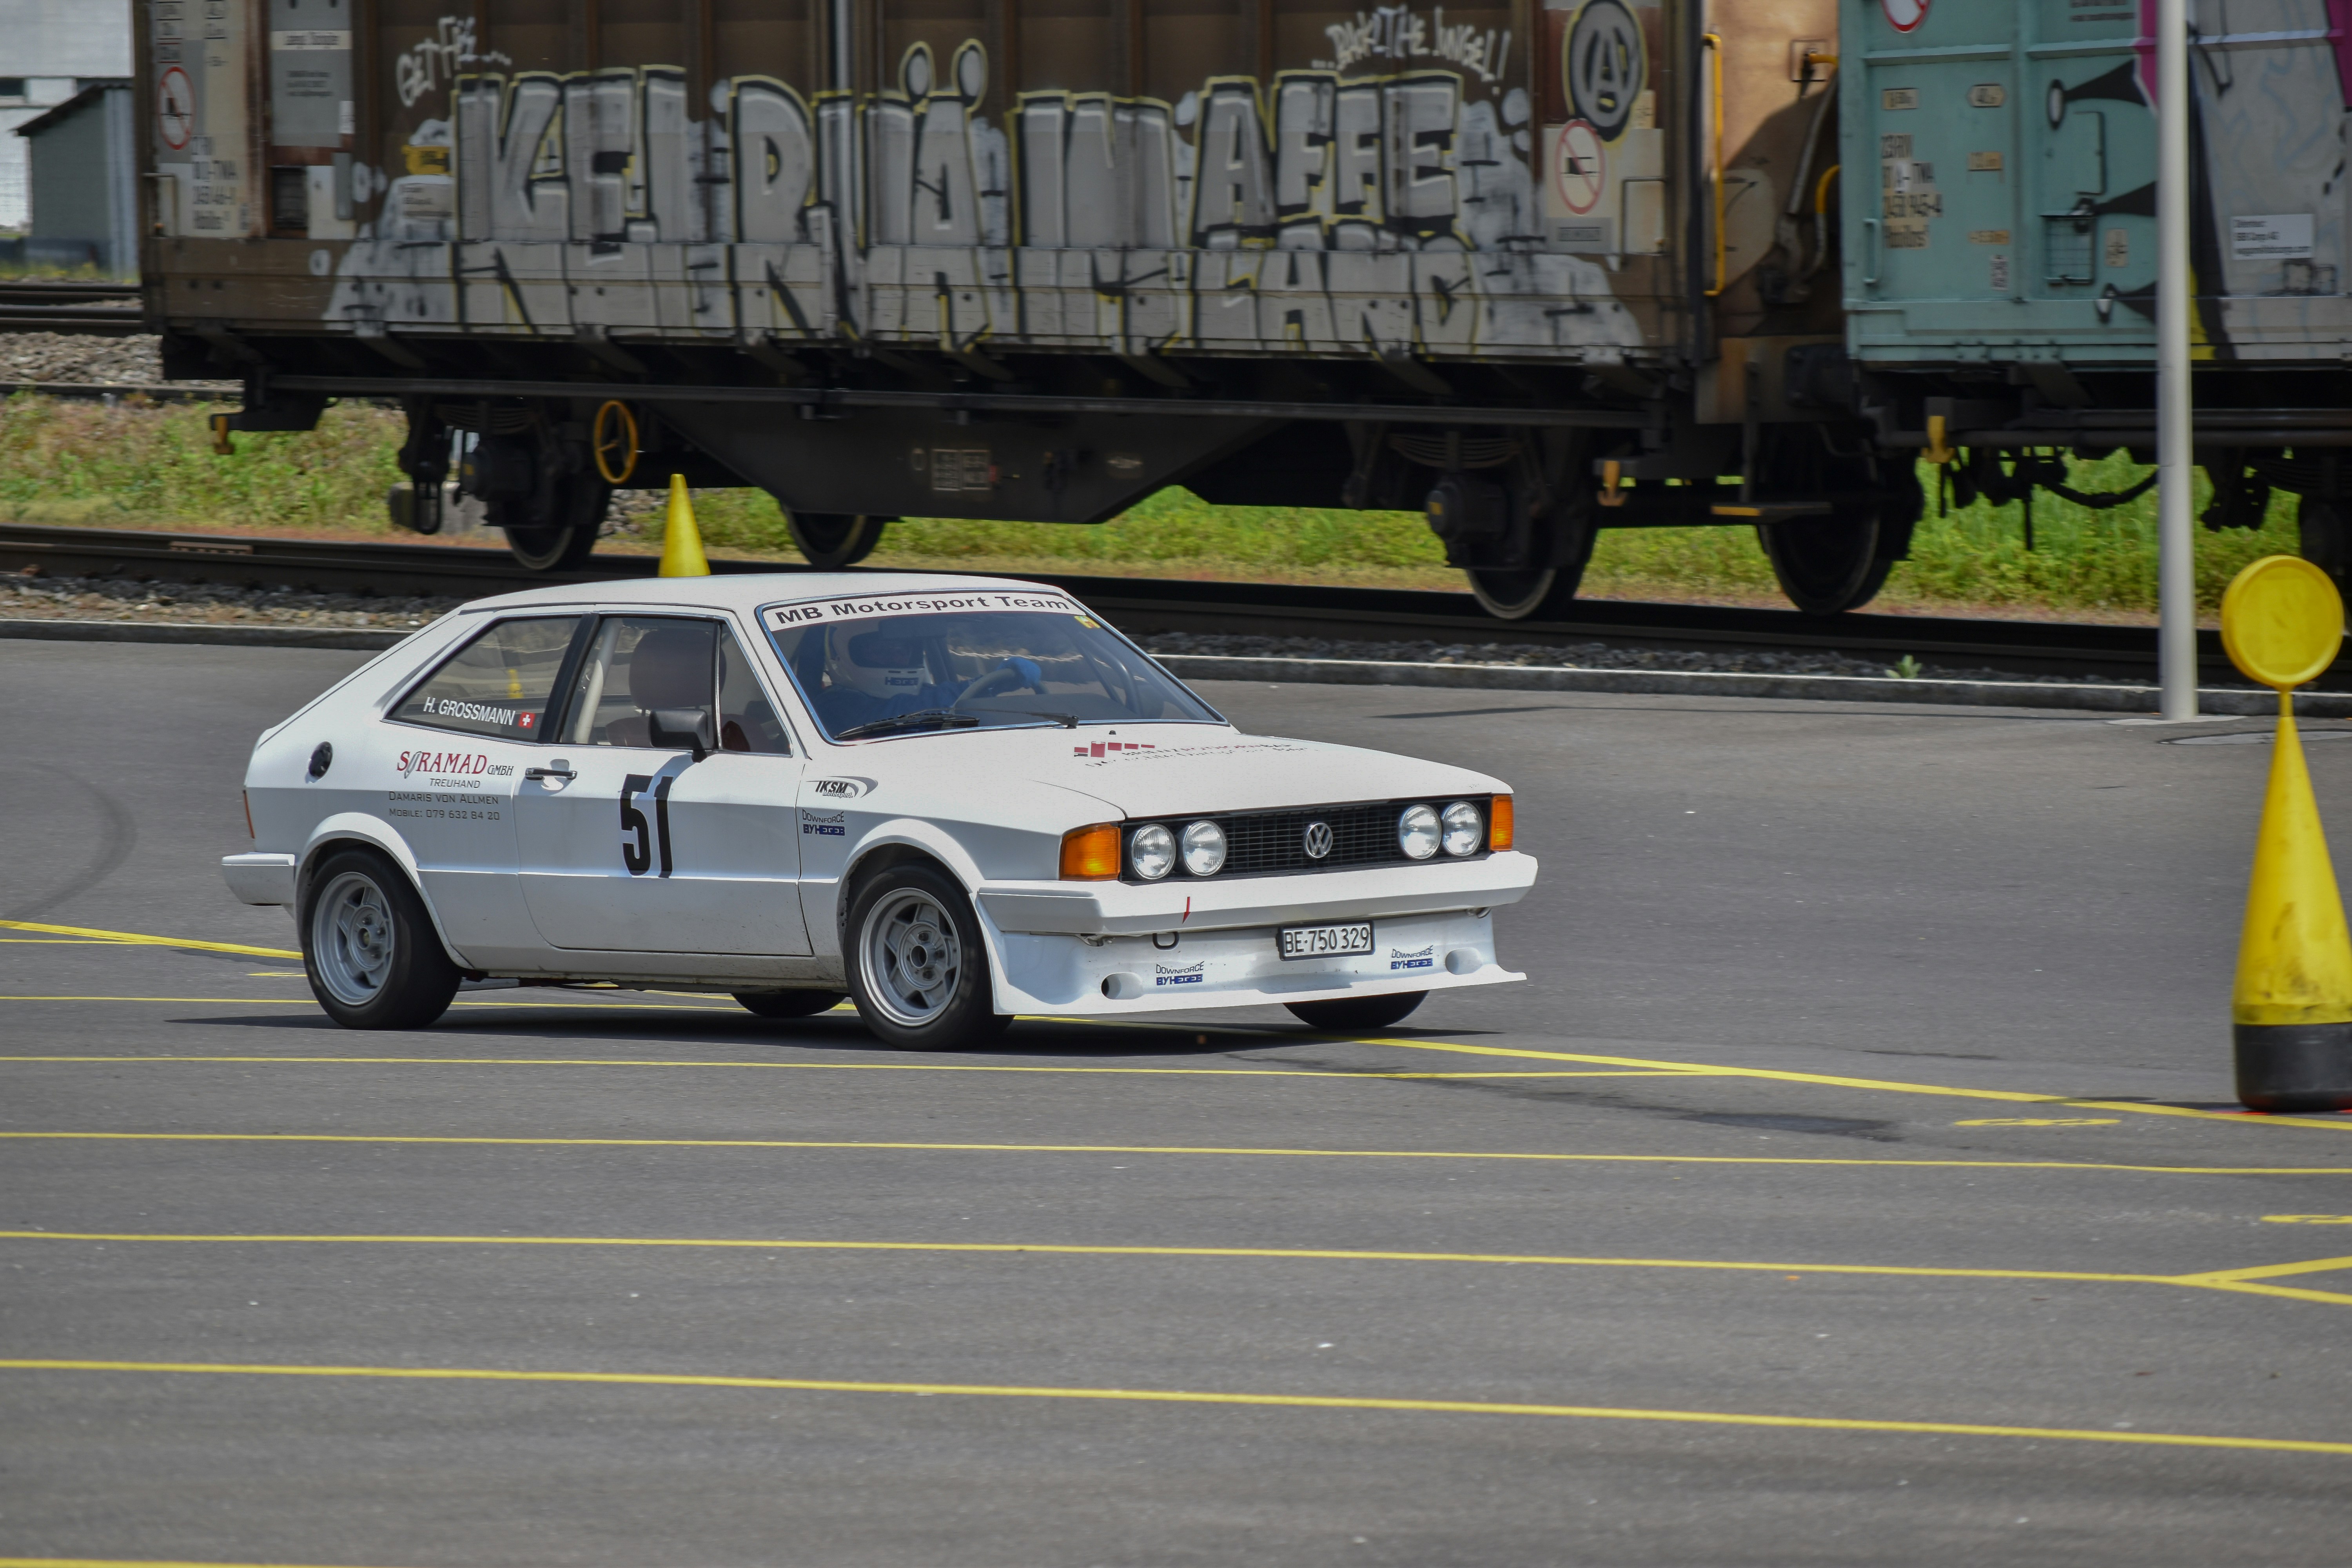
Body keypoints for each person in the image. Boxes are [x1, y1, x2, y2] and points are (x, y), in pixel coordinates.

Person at [811, 621, 1040, 734]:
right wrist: (987, 685)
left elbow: (931, 699)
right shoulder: (833, 704)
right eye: (880, 651)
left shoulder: (923, 694)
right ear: (843, 655)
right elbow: (898, 712)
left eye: (901, 651)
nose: (895, 659)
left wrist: (996, 686)